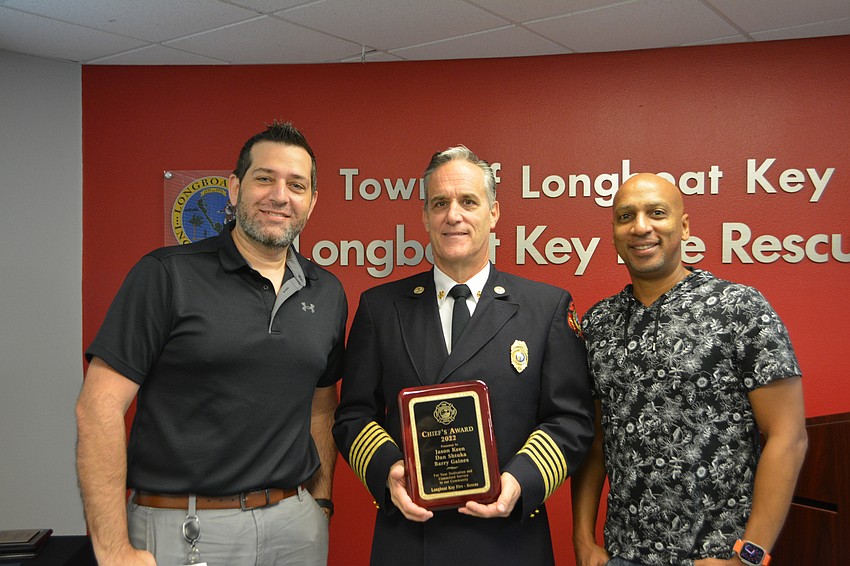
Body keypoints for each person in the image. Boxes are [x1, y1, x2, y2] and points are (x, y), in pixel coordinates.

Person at [75, 121, 347, 566]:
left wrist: (319, 505)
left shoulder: (327, 292)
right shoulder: (166, 275)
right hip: (186, 530)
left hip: (295, 531)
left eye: (297, 185)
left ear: (312, 202)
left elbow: (321, 406)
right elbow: (98, 407)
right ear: (235, 188)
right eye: (265, 178)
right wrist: (112, 549)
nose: (280, 195)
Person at [333, 145, 594, 566]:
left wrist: (520, 480)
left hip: (510, 541)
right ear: (424, 216)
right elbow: (354, 414)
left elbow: (571, 419)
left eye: (468, 202)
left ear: (493, 213)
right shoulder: (381, 308)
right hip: (410, 541)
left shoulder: (545, 308)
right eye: (440, 203)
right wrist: (390, 471)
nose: (453, 215)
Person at [571, 173, 807, 566]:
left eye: (656, 213)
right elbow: (595, 441)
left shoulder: (739, 309)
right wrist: (582, 538)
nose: (641, 226)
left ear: (683, 226)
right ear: (614, 232)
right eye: (626, 216)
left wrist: (748, 557)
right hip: (623, 555)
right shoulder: (599, 323)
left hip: (717, 556)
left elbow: (788, 436)